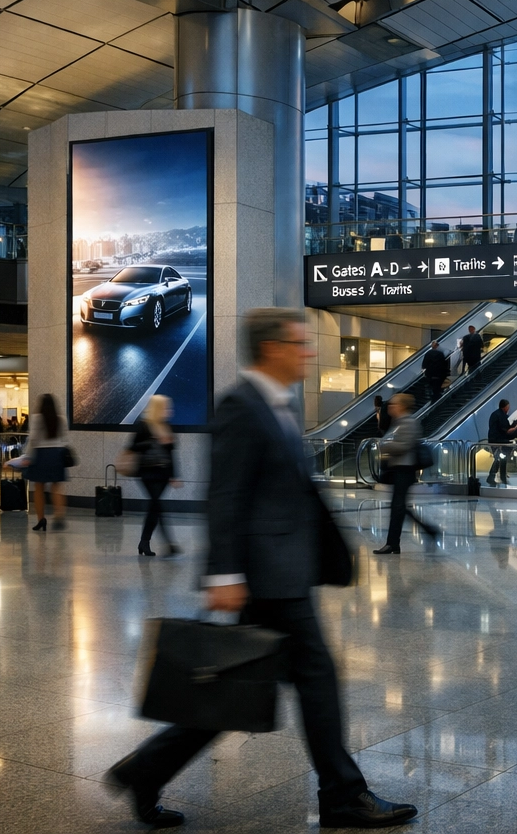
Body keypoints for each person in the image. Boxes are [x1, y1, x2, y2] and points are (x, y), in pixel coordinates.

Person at [109, 308, 417, 828]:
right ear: (273, 348)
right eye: (300, 344)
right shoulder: (241, 406)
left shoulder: (276, 403)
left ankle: (147, 769)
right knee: (304, 678)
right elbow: (226, 496)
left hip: (280, 571)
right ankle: (342, 794)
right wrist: (224, 575)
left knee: (236, 683)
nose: (308, 352)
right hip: (265, 576)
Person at [374, 392, 439, 553]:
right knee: (400, 507)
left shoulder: (409, 423)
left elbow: (404, 446)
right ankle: (426, 531)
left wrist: (385, 446)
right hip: (397, 469)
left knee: (398, 507)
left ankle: (392, 543)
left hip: (405, 470)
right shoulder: (397, 423)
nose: (390, 407)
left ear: (402, 406)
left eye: (394, 404)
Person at [128, 395, 180, 558]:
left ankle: (144, 542)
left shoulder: (166, 426)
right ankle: (169, 542)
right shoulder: (143, 426)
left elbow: (171, 452)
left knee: (154, 507)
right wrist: (153, 440)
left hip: (163, 473)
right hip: (147, 472)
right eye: (165, 407)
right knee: (157, 505)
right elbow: (133, 447)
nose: (169, 410)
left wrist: (174, 475)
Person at [20, 395, 69, 531]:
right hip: (57, 454)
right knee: (56, 486)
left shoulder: (36, 418)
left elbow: (33, 439)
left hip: (40, 454)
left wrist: (27, 456)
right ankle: (59, 515)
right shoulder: (61, 419)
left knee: (39, 488)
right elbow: (65, 439)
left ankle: (41, 519)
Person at [486, 399, 517, 487]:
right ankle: (493, 476)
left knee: (499, 458)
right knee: (500, 459)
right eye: (508, 406)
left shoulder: (494, 414)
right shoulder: (502, 416)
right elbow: (506, 430)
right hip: (500, 441)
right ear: (506, 407)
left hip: (493, 439)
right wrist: (515, 426)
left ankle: (498, 477)